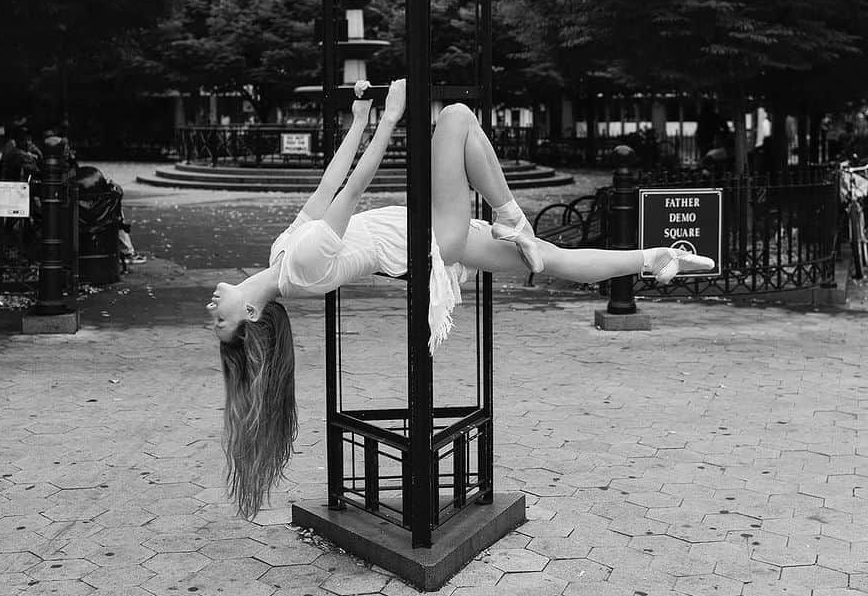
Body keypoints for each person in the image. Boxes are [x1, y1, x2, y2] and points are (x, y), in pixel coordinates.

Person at [208, 80, 714, 517]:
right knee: (454, 118)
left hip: (428, 235)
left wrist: (359, 121)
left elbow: (325, 187)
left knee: (550, 257)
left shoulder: (281, 254)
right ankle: (511, 213)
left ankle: (654, 259)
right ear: (250, 315)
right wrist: (390, 119)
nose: (211, 311)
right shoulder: (299, 270)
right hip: (430, 239)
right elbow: (351, 192)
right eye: (220, 323)